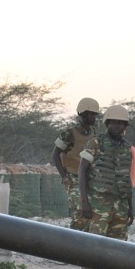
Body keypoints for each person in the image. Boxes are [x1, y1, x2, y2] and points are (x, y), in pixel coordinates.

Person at [78, 104, 134, 269]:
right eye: (114, 123)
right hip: (98, 203)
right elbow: (82, 171)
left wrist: (130, 207)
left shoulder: (128, 148)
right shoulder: (95, 143)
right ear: (107, 123)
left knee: (116, 247)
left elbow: (127, 178)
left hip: (120, 204)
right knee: (93, 245)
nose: (117, 126)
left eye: (121, 123)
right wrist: (84, 202)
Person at [52, 98, 99, 232]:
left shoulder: (94, 134)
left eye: (95, 114)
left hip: (89, 179)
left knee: (92, 213)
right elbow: (55, 154)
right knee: (79, 211)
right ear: (83, 114)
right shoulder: (69, 133)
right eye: (91, 114)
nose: (94, 117)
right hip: (73, 178)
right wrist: (63, 176)